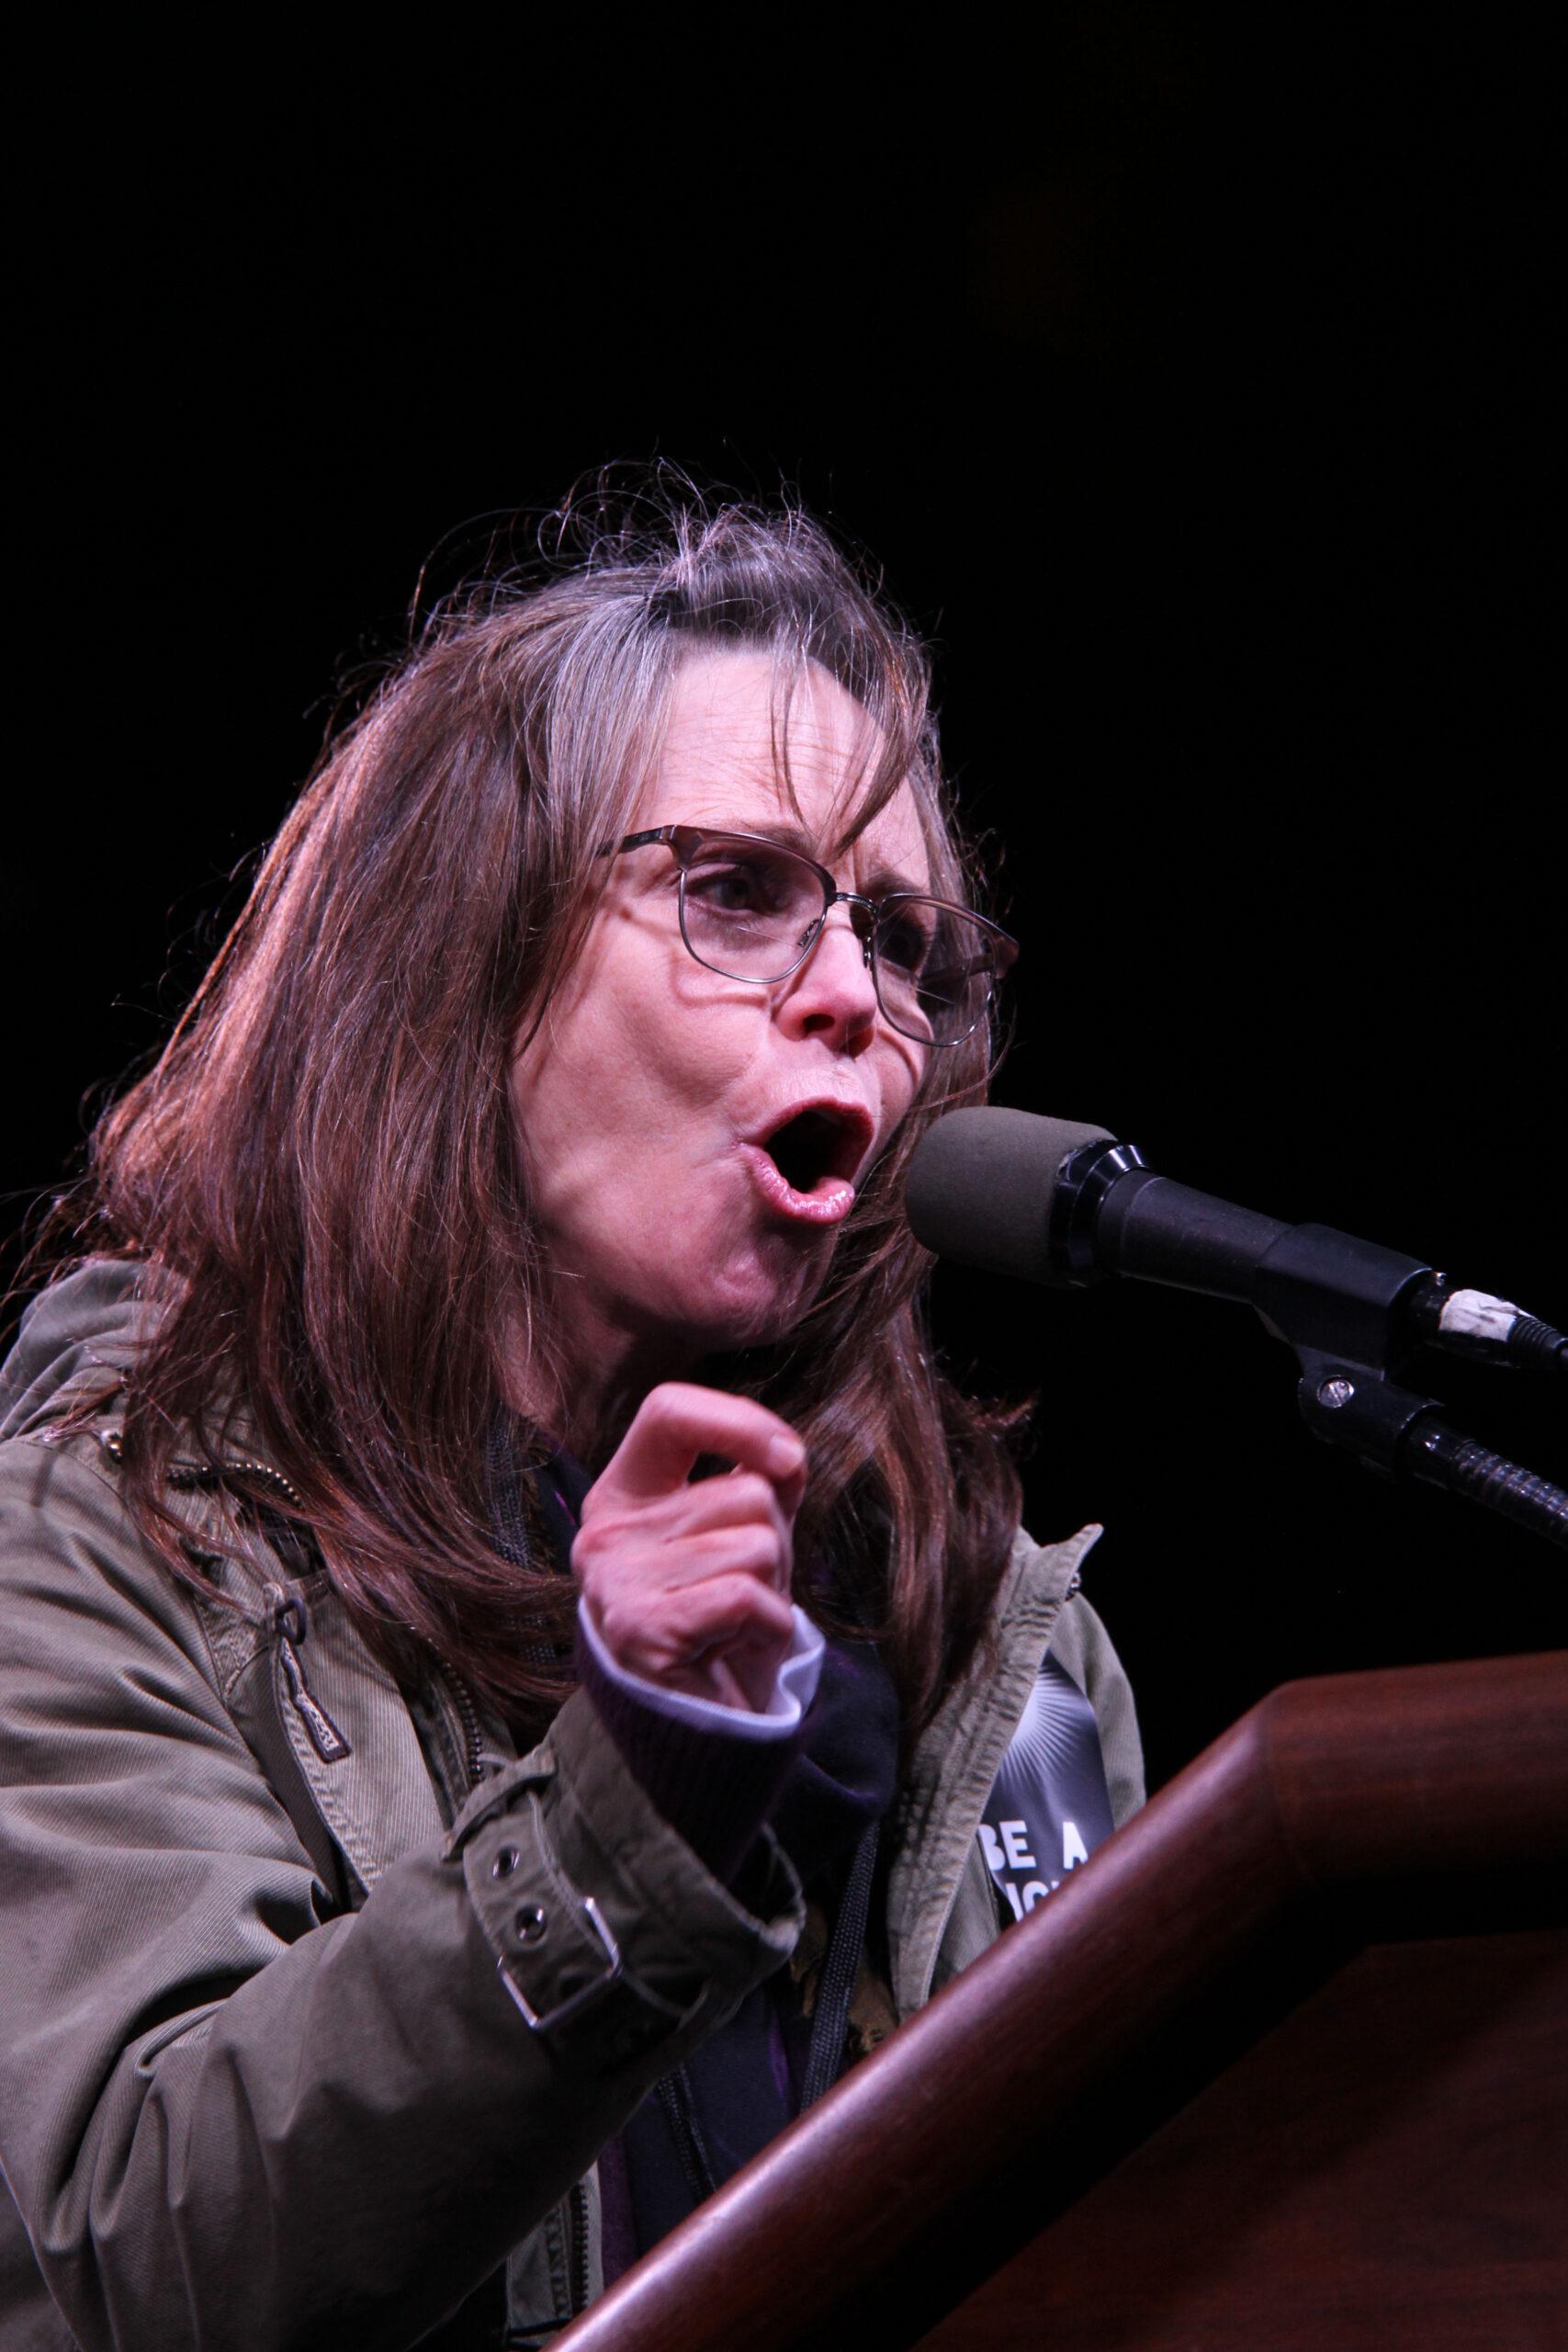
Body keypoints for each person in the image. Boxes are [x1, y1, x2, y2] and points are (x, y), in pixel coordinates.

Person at [0, 492, 1144, 2349]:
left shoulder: (999, 1650)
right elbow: (131, 2262)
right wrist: (635, 1790)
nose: (856, 993)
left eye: (903, 936)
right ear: (468, 962)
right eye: (734, 889)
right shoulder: (109, 1538)